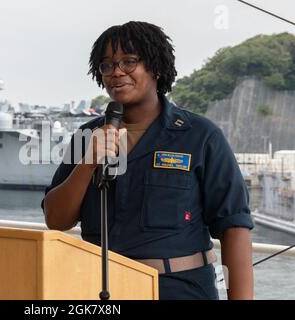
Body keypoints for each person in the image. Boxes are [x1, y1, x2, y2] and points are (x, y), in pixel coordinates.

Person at [41, 21, 254, 300]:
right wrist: (88, 162)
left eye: (129, 62)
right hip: (98, 289)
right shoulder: (88, 136)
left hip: (179, 291)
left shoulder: (201, 136)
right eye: (106, 65)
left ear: (156, 67)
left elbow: (234, 226)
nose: (116, 72)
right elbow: (56, 220)